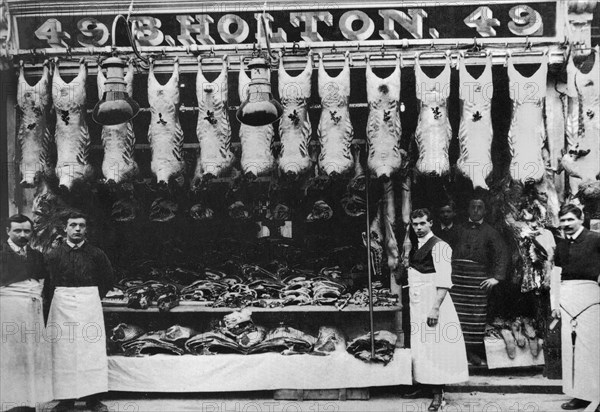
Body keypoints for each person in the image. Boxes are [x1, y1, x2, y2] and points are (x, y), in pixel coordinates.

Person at [44, 212, 114, 412]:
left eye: (81, 225)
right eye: (73, 225)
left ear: (86, 229)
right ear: (64, 229)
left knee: (90, 350)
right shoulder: (53, 254)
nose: (77, 229)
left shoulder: (97, 254)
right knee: (63, 350)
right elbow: (48, 282)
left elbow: (108, 279)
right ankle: (65, 400)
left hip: (89, 303)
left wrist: (89, 296)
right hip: (61, 304)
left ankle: (93, 400)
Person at [408, 208, 469, 411]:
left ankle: (438, 393)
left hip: (433, 302)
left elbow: (444, 280)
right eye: (415, 224)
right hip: (417, 302)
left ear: (431, 223)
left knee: (435, 346)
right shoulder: (416, 245)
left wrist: (435, 308)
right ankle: (424, 384)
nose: (418, 227)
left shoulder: (440, 246)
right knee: (421, 345)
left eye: (422, 223)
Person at [1, 214, 53, 412]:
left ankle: (28, 401)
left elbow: (44, 284)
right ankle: (8, 402)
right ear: (8, 231)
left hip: (32, 311)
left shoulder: (37, 256)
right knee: (8, 356)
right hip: (7, 311)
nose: (23, 235)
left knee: (31, 355)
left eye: (27, 231)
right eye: (17, 231)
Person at [552, 204, 600, 411]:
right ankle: (579, 395)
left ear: (581, 219)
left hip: (590, 298)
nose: (566, 225)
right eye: (562, 221)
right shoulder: (560, 244)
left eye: (570, 219)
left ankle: (596, 395)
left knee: (591, 348)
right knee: (570, 349)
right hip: (567, 299)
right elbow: (556, 275)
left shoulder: (596, 239)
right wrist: (555, 304)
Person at [450, 197, 508, 365]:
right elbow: (445, 250)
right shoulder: (458, 230)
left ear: (485, 211)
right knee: (457, 316)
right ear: (468, 210)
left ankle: (473, 353)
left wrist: (496, 278)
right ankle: (458, 353)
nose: (476, 211)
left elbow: (501, 254)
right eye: (473, 207)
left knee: (475, 317)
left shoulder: (491, 232)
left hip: (478, 280)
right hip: (457, 280)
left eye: (479, 207)